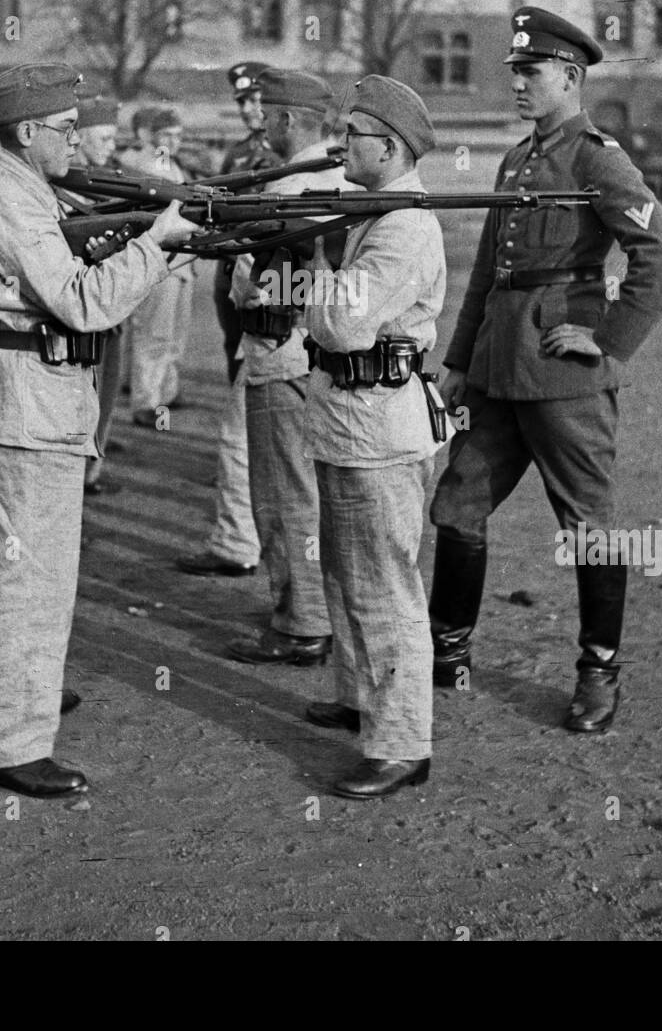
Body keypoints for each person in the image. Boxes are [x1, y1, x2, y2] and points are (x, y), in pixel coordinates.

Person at [427, 7, 662, 734]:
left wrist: (606, 343)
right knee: (457, 504)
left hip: (563, 376)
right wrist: (457, 362)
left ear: (569, 78)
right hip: (494, 372)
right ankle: (448, 652)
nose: (516, 83)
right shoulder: (517, 158)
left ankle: (599, 671)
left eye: (529, 72)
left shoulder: (597, 159)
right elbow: (489, 270)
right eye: (514, 71)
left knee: (590, 528)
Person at [0, 63, 197, 799]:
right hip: (31, 393)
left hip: (45, 394)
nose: (76, 142)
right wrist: (157, 246)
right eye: (64, 130)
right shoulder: (13, 198)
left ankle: (21, 715)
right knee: (29, 577)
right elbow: (83, 304)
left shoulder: (30, 190)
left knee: (44, 575)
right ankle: (9, 746)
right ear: (27, 133)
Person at [303, 76, 447, 798]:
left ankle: (400, 744)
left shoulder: (404, 227)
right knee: (345, 572)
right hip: (348, 418)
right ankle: (360, 695)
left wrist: (313, 261)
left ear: (387, 149)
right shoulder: (373, 211)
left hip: (379, 425)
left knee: (385, 585)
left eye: (352, 134)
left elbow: (339, 325)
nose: (340, 144)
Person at [225, 69, 347, 663]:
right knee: (294, 491)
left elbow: (318, 275)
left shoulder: (314, 185)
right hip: (289, 352)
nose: (262, 122)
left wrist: (256, 288)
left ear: (290, 120)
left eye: (269, 113)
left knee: (284, 495)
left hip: (284, 351)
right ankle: (306, 608)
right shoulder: (310, 176)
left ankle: (302, 623)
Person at [176, 62, 275, 576]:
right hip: (232, 295)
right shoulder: (238, 154)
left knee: (251, 428)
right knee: (242, 399)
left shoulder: (283, 157)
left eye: (256, 99)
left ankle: (241, 540)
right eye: (241, 103)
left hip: (267, 299)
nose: (248, 110)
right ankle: (244, 535)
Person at [69, 85, 129, 496]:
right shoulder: (67, 185)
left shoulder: (111, 183)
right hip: (80, 313)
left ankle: (93, 466)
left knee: (106, 393)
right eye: (104, 139)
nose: (111, 148)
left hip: (111, 312)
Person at [121, 106, 198, 425]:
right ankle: (145, 400)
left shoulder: (172, 165)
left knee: (174, 333)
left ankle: (166, 390)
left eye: (178, 136)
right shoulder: (142, 164)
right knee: (154, 333)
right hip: (161, 257)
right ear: (150, 136)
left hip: (182, 259)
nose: (173, 141)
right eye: (166, 135)